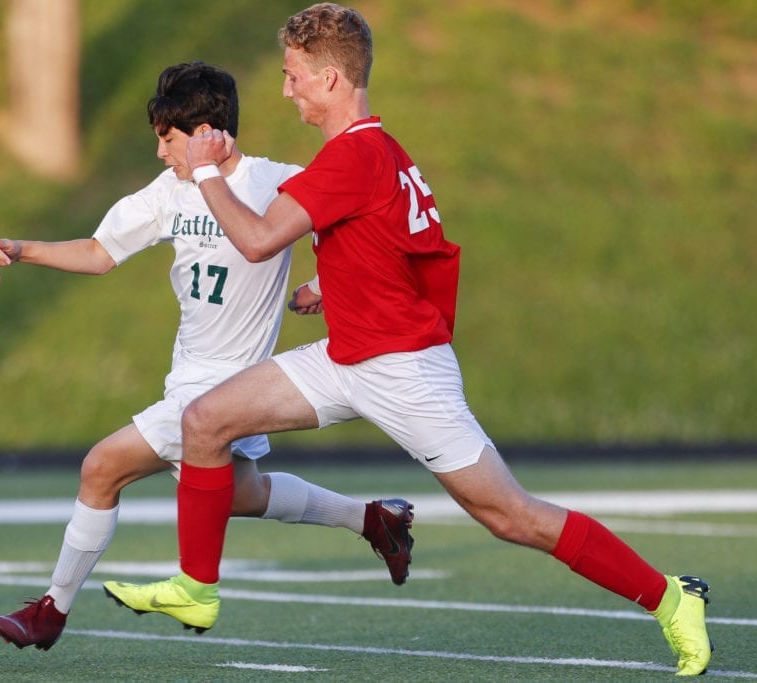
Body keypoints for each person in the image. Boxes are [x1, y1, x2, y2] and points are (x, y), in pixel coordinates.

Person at [99, 7, 713, 676]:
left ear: (330, 79)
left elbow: (253, 239)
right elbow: (408, 246)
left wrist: (207, 169)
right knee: (206, 419)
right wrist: (331, 290)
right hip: (347, 355)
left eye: (293, 75)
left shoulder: (354, 157)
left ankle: (671, 598)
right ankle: (197, 586)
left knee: (511, 516)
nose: (285, 89)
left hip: (404, 369)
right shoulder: (378, 150)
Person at [0, 61, 415, 651]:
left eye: (168, 138)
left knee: (101, 467)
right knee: (243, 496)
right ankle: (373, 520)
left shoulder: (277, 182)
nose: (159, 151)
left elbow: (356, 238)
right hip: (190, 380)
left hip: (229, 391)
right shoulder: (169, 192)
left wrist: (324, 288)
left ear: (207, 132)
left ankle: (51, 610)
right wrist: (21, 249)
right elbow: (100, 252)